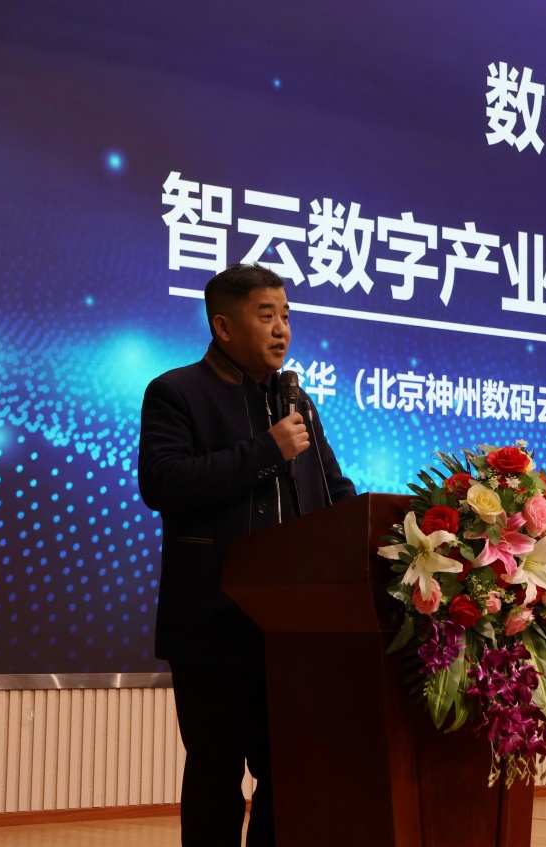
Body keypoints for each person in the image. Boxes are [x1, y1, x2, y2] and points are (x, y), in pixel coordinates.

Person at [138, 263, 356, 847]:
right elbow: (162, 482)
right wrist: (265, 451)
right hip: (212, 622)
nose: (282, 329)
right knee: (216, 775)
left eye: (286, 316)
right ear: (224, 327)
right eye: (266, 316)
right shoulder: (176, 392)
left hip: (291, 629)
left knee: (289, 772)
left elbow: (335, 491)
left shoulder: (295, 402)